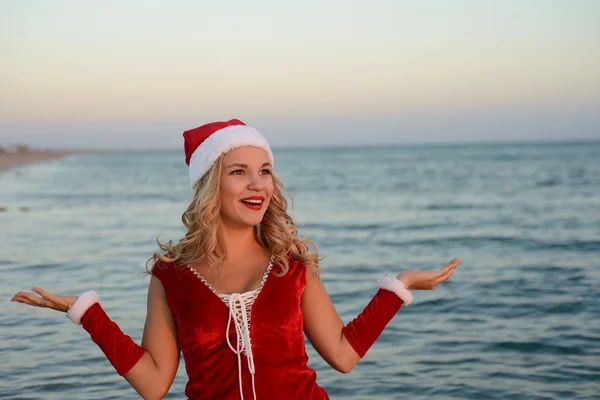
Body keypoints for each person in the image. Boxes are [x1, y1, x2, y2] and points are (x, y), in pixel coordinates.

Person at [10, 119, 460, 400]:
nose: (257, 185)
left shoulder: (293, 266)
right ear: (210, 186)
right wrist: (87, 314)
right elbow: (153, 384)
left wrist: (397, 290)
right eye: (239, 172)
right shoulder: (172, 277)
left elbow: (342, 355)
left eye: (264, 171)